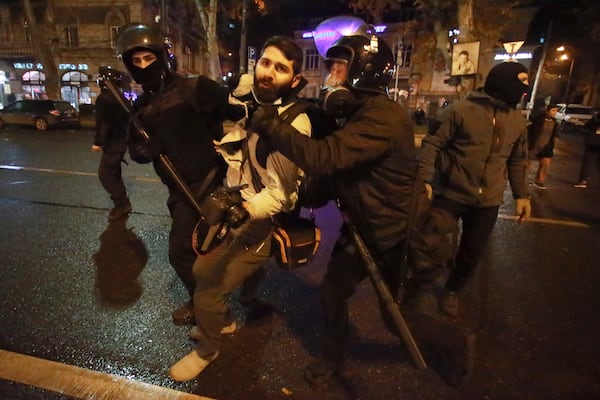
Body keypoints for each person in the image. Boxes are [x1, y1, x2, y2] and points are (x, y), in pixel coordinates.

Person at [250, 33, 474, 387]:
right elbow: (341, 171)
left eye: (339, 68)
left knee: (397, 318)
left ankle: (455, 342)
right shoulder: (353, 115)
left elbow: (326, 158)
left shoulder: (384, 117)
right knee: (332, 293)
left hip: (397, 236)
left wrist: (270, 124)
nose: (331, 76)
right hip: (361, 229)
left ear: (363, 72)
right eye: (332, 68)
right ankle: (332, 358)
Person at [168, 35, 312, 381]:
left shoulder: (293, 125)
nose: (268, 72)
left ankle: (208, 349)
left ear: (294, 81)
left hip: (259, 220)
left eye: (280, 68)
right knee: (203, 270)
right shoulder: (249, 102)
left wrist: (244, 210)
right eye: (265, 62)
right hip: (237, 203)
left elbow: (282, 195)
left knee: (207, 288)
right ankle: (228, 317)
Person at [116, 23, 231, 326]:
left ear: (160, 56)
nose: (142, 66)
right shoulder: (140, 108)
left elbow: (234, 109)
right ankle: (207, 301)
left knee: (184, 251)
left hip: (208, 181)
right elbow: (135, 146)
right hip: (178, 191)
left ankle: (212, 307)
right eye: (135, 61)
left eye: (148, 58)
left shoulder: (192, 87)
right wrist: (141, 151)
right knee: (196, 250)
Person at [419, 61, 532, 318]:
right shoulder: (460, 111)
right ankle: (421, 283)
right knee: (434, 243)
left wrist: (522, 195)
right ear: (504, 81)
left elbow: (517, 161)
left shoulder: (517, 122)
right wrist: (425, 179)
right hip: (450, 193)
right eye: (522, 80)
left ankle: (453, 290)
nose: (525, 87)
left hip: (488, 201)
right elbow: (431, 144)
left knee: (472, 252)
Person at [92, 66, 132, 220]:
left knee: (106, 175)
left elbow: (103, 123)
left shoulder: (105, 99)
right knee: (114, 173)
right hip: (121, 141)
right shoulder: (120, 97)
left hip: (114, 143)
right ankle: (122, 202)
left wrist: (98, 142)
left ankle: (121, 203)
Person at [528, 104, 560, 189]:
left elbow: (555, 134)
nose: (555, 113)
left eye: (556, 111)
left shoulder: (555, 123)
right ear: (547, 111)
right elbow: (531, 122)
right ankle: (523, 179)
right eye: (553, 110)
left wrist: (556, 138)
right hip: (534, 145)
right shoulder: (538, 120)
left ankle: (539, 181)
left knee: (545, 164)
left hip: (547, 147)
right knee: (526, 164)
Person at [573, 112, 600, 188]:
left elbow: (588, 125)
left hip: (594, 142)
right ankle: (583, 181)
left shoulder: (596, 117)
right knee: (588, 162)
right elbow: (588, 125)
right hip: (593, 142)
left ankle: (583, 181)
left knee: (588, 162)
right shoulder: (596, 117)